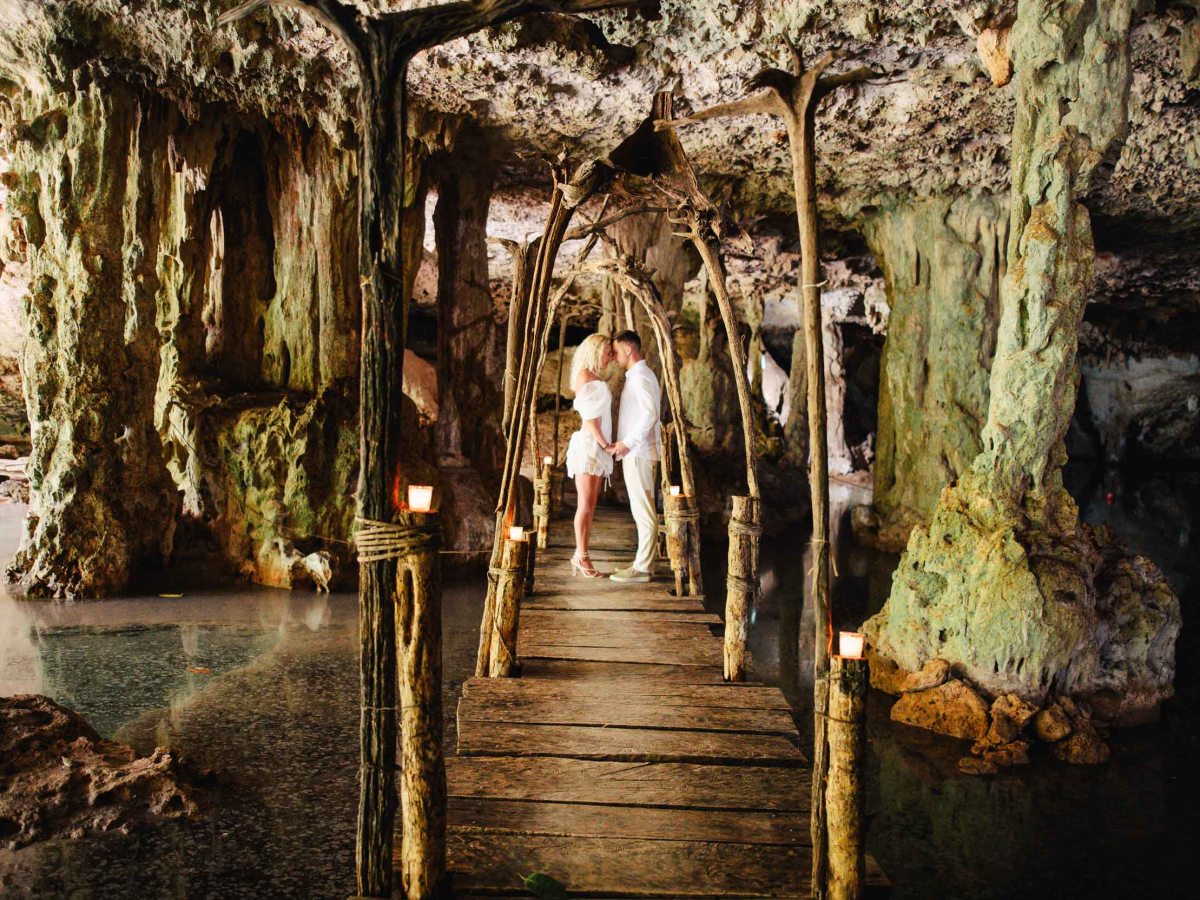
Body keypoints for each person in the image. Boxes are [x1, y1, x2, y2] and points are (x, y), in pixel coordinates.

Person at [606, 330, 661, 584]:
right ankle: (642, 561)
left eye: (616, 352)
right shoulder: (636, 376)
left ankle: (643, 568)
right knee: (640, 510)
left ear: (628, 349)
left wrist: (627, 443)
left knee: (644, 510)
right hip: (635, 451)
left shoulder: (641, 377)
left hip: (639, 452)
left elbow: (650, 415)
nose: (614, 357)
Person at [564, 333, 615, 578]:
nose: (610, 357)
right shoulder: (585, 376)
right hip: (589, 444)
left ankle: (582, 554)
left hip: (596, 445)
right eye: (607, 352)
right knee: (584, 504)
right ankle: (581, 556)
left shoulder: (594, 377)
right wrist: (606, 445)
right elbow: (591, 419)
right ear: (595, 351)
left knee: (591, 504)